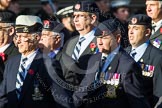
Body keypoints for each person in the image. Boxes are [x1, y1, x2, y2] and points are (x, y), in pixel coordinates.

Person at [73, 19, 150, 108]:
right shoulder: (94, 59)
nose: (100, 42)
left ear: (117, 38)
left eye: (104, 38)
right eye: (98, 38)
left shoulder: (127, 65)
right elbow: (82, 91)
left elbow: (137, 100)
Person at [0, 15, 57, 108]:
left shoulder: (49, 64)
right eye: (16, 36)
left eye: (22, 36)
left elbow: (61, 101)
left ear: (37, 37)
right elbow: (3, 97)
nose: (18, 41)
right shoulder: (12, 63)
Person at [56, 1, 99, 85]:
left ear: (93, 18)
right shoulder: (70, 42)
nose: (75, 20)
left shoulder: (101, 41)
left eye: (80, 16)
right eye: (74, 16)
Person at [126, 14, 162, 108]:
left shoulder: (157, 57)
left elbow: (159, 94)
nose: (131, 32)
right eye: (129, 28)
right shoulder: (123, 53)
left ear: (147, 32)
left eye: (136, 28)